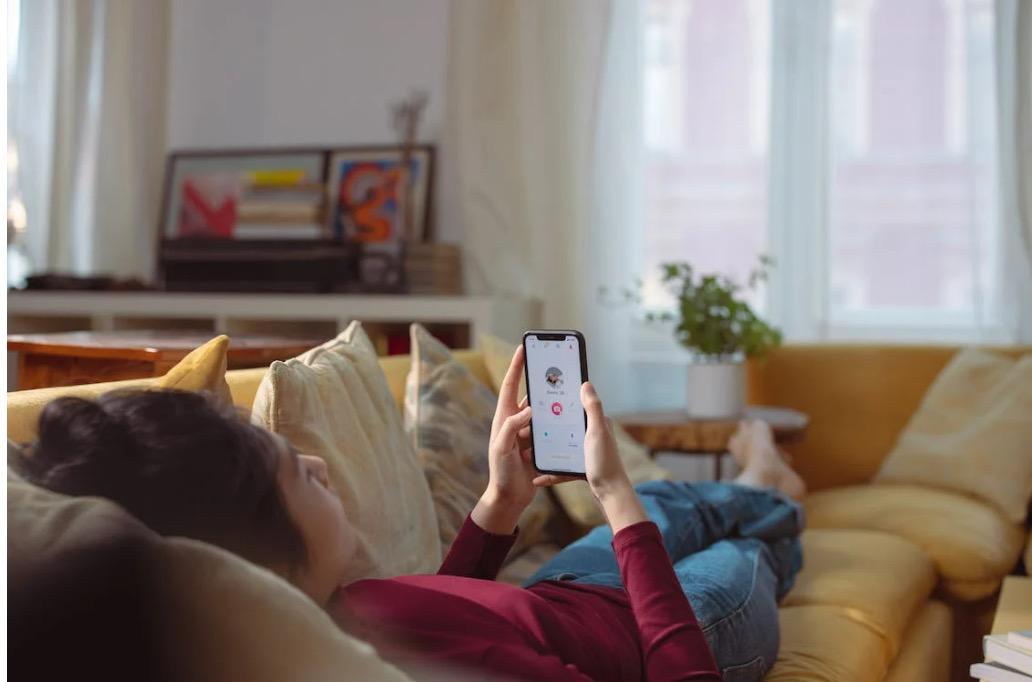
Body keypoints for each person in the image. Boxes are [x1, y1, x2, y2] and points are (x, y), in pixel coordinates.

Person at [18, 346, 804, 682]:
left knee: (671, 501)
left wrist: (499, 501)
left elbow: (445, 611)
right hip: (664, 629)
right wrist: (611, 494)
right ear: (258, 550)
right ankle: (772, 489)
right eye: (296, 470)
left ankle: (749, 478)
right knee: (750, 548)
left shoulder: (337, 613)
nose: (319, 463)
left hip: (563, 590)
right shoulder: (388, 659)